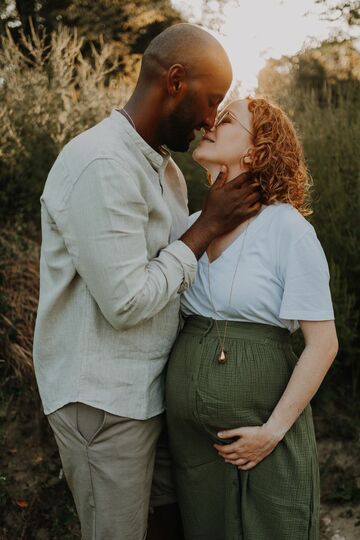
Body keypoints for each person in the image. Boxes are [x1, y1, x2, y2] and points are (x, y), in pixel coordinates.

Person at [33, 24, 261, 540]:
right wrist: (206, 226)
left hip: (151, 394)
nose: (210, 120)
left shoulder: (167, 171)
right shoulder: (100, 163)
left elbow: (176, 278)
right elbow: (127, 300)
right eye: (211, 101)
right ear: (175, 81)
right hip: (103, 405)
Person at [166, 97, 338, 540]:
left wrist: (272, 431)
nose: (211, 123)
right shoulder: (190, 225)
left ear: (257, 151)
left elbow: (323, 343)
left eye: (226, 121)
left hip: (262, 436)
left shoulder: (288, 229)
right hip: (193, 447)